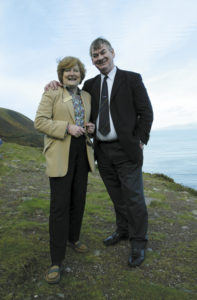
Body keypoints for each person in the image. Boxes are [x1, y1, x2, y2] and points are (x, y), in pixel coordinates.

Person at [45, 38, 153, 268]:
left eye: (103, 53)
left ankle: (138, 242)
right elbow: (74, 99)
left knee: (133, 197)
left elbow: (146, 112)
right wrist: (55, 83)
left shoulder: (132, 79)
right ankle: (122, 231)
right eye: (95, 55)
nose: (100, 58)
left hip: (126, 150)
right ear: (92, 60)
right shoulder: (91, 85)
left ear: (112, 52)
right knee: (116, 196)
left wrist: (141, 140)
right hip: (102, 151)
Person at [34, 56, 95, 284]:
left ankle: (73, 238)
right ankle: (56, 260)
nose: (72, 74)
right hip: (60, 151)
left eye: (76, 70)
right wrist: (66, 127)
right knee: (59, 206)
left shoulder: (87, 96)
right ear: (61, 74)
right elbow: (39, 122)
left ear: (81, 74)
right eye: (67, 70)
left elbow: (88, 121)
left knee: (78, 200)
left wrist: (91, 127)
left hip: (83, 151)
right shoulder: (52, 93)